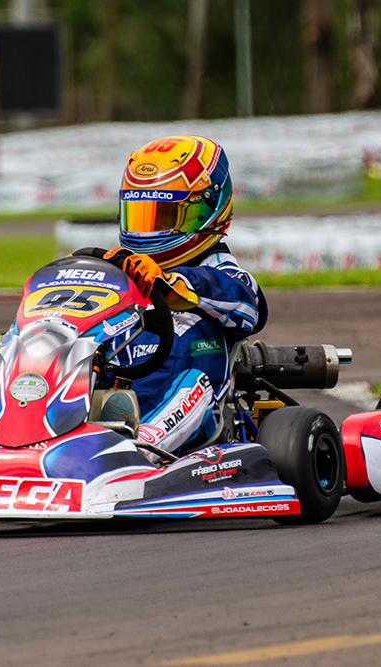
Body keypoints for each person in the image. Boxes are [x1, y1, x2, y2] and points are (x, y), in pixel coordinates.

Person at [101, 135, 267, 455]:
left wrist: (176, 283)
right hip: (121, 392)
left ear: (204, 209)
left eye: (161, 216)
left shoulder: (216, 267)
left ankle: (137, 451)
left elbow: (250, 307)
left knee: (192, 382)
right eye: (139, 215)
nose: (147, 230)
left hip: (189, 405)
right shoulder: (127, 269)